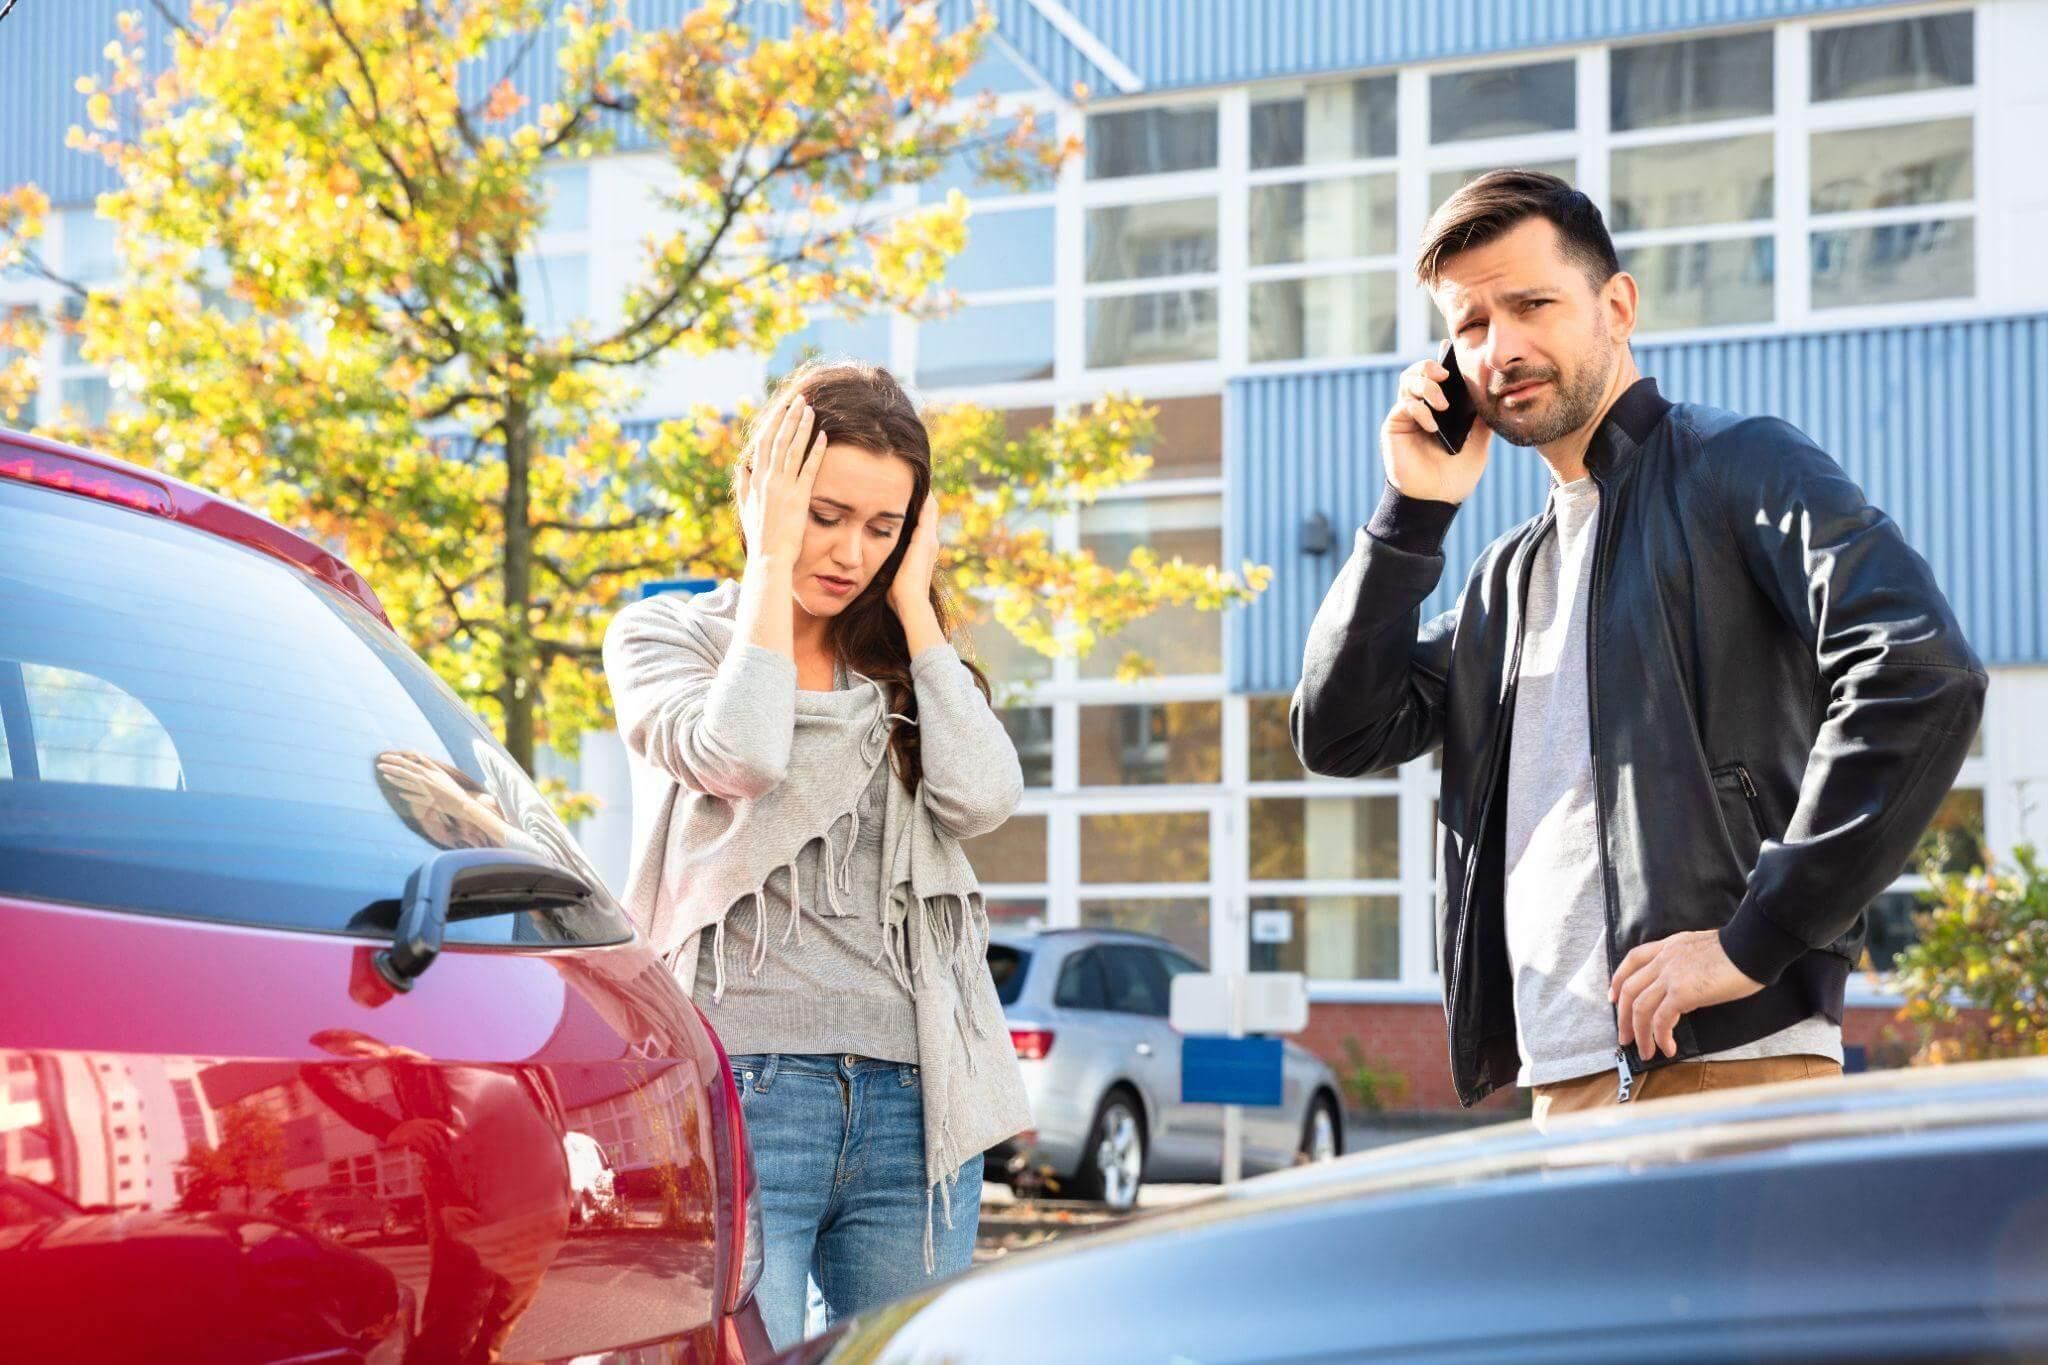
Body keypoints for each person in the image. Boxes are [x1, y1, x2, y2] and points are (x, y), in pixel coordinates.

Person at [1292, 171, 1985, 1122]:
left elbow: (1918, 669)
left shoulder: (1738, 464)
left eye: (1533, 303)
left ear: (1617, 305)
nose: (1504, 346)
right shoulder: (1506, 582)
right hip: (1561, 1085)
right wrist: (1411, 513)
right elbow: (1339, 730)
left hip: (1727, 1069)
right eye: (1472, 324)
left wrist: (1757, 937)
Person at [602, 361, 1029, 1349]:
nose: (848, 553)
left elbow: (983, 797)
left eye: (881, 530)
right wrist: (765, 567)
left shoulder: (907, 668)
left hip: (915, 1100)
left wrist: (916, 610)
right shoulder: (669, 636)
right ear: (764, 494)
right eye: (825, 514)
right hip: (742, 1089)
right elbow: (738, 754)